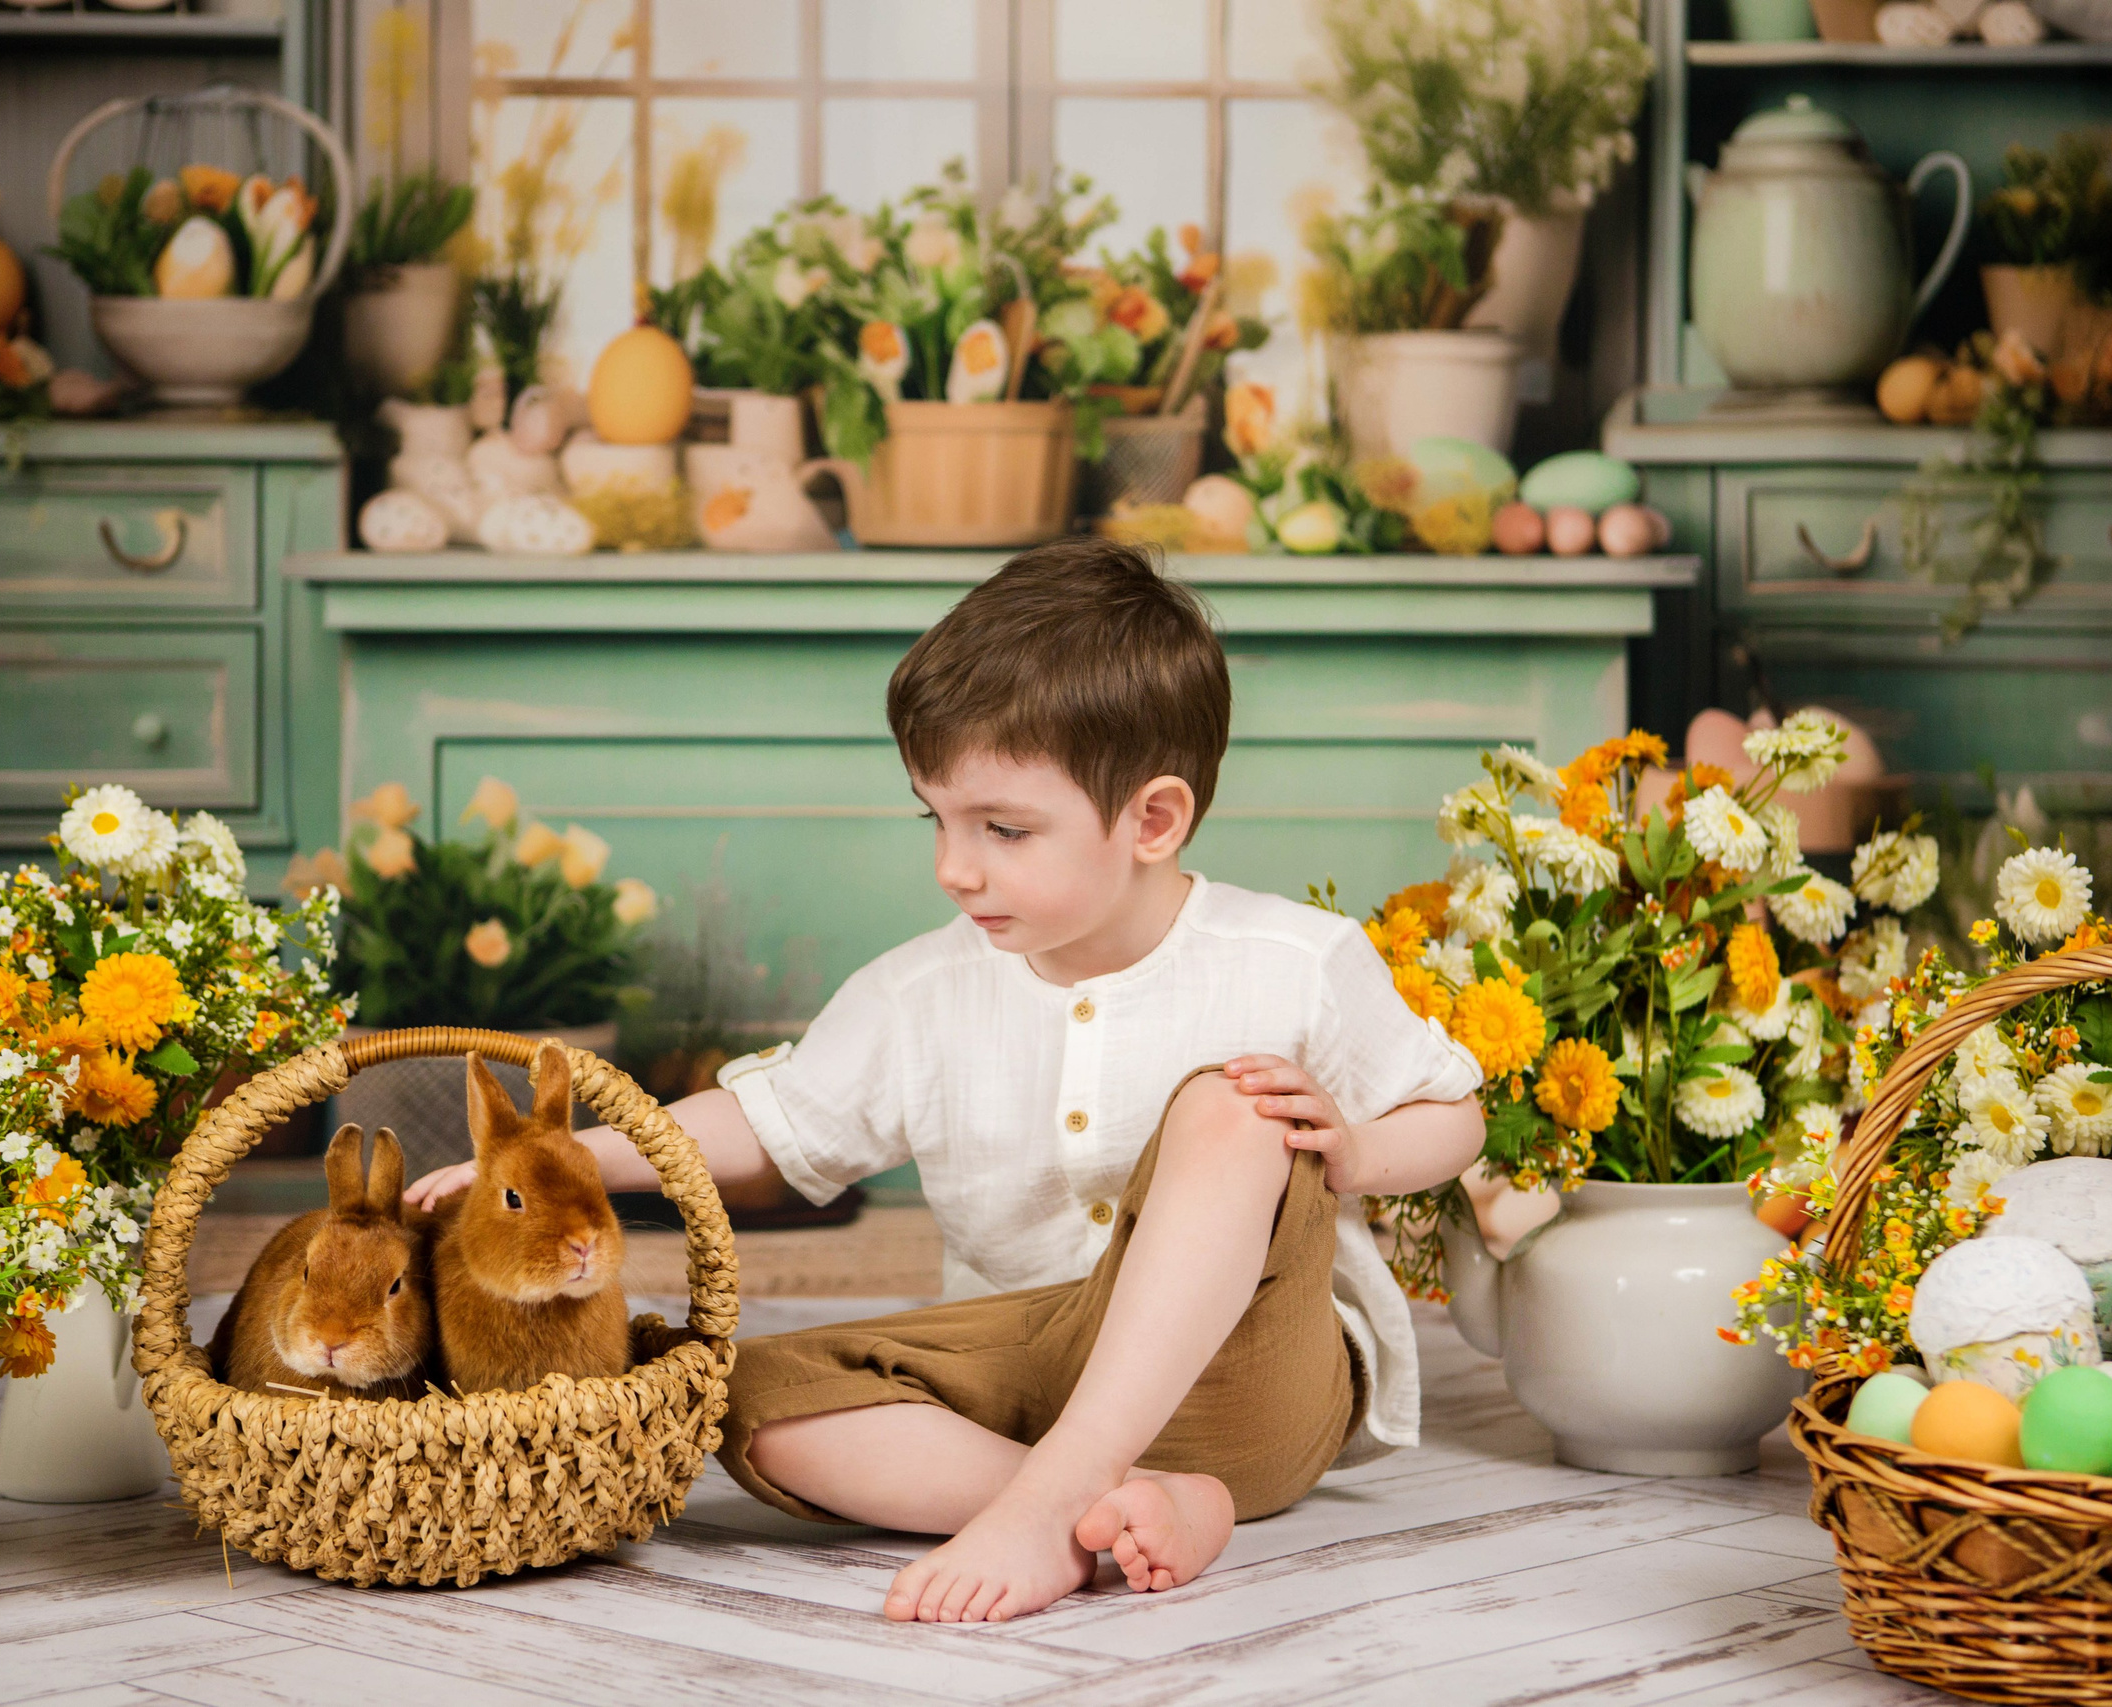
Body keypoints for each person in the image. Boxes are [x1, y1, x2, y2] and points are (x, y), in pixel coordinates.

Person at [406, 537, 1488, 1623]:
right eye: (938, 817)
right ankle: (1133, 1501)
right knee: (739, 1394)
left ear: (1152, 821)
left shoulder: (1293, 958)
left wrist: (1356, 1149)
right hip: (1022, 1376)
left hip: (1247, 1381)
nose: (954, 868)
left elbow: (1456, 1113)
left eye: (1004, 829)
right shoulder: (918, 991)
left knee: (1234, 1105)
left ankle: (1054, 1502)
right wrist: (564, 1158)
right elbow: (770, 1122)